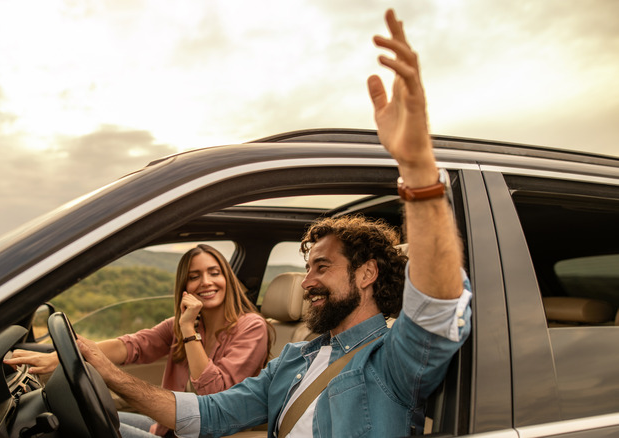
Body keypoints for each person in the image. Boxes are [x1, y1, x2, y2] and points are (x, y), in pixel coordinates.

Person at [75, 8, 472, 437]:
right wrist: (107, 373)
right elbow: (210, 414)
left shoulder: (392, 360)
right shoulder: (295, 358)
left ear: (367, 273)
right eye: (308, 269)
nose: (305, 283)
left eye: (322, 267)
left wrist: (416, 171)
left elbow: (436, 305)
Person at [5, 244, 273, 437]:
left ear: (227, 278)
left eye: (214, 273)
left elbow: (213, 398)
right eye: (194, 276)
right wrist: (60, 356)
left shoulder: (251, 327)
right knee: (83, 417)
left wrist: (189, 329)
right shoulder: (182, 325)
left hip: (208, 432)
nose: (206, 282)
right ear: (184, 286)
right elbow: (131, 345)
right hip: (169, 427)